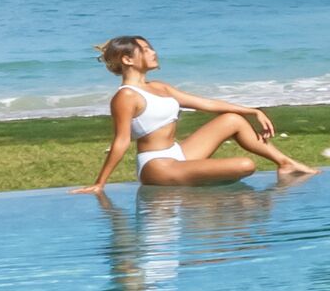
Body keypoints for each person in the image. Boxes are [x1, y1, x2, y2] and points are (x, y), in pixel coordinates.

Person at [76, 34, 317, 192]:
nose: (153, 53)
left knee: (233, 120)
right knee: (245, 165)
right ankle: (198, 194)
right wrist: (100, 183)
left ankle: (285, 163)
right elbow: (121, 141)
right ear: (128, 59)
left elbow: (206, 104)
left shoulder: (159, 87)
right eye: (146, 50)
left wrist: (253, 111)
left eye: (151, 48)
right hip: (157, 166)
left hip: (179, 154)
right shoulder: (125, 96)